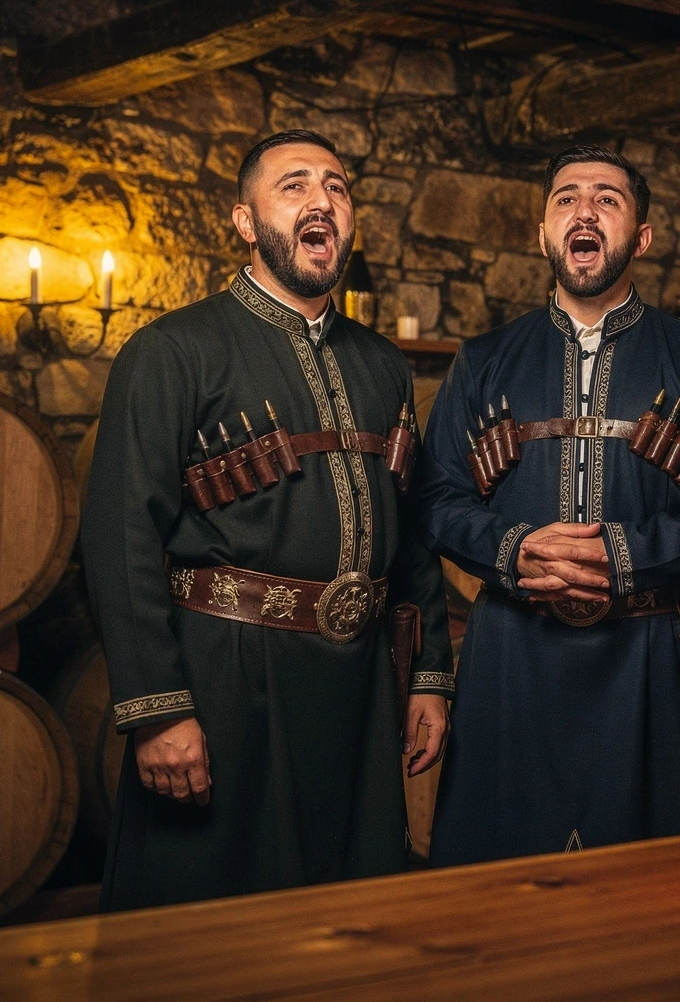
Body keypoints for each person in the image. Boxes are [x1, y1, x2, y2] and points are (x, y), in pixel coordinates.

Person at [81, 129, 453, 911]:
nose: (322, 200)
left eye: (338, 186)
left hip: (356, 686)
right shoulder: (171, 351)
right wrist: (158, 710)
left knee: (349, 922)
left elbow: (413, 530)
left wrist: (428, 676)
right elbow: (121, 540)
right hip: (225, 679)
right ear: (245, 222)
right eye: (294, 186)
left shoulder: (383, 364)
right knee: (210, 921)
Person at [418, 144, 680, 863]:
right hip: (514, 652)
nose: (584, 210)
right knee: (501, 892)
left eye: (607, 199)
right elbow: (435, 498)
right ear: (543, 234)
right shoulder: (482, 361)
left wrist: (626, 553)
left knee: (660, 896)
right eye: (566, 199)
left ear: (640, 237)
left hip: (652, 652)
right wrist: (515, 549)